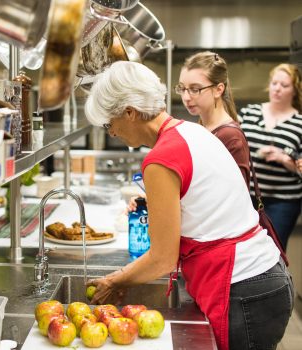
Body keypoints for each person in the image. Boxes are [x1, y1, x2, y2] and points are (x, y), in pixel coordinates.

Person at [85, 61, 293, 350]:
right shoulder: (190, 132)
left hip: (244, 290)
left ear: (130, 113)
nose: (112, 133)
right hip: (266, 278)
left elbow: (162, 258)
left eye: (110, 124)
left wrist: (115, 281)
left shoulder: (160, 159)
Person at [239, 63, 302, 250]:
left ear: (294, 90)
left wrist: (284, 159)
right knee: (245, 248)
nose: (277, 88)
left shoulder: (299, 123)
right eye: (275, 83)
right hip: (246, 196)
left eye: (284, 85)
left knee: (273, 249)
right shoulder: (249, 112)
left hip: (282, 201)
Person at [177, 51, 250, 186]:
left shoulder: (231, 137)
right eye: (182, 88)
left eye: (195, 89)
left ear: (218, 90)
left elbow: (235, 198)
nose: (186, 97)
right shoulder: (202, 128)